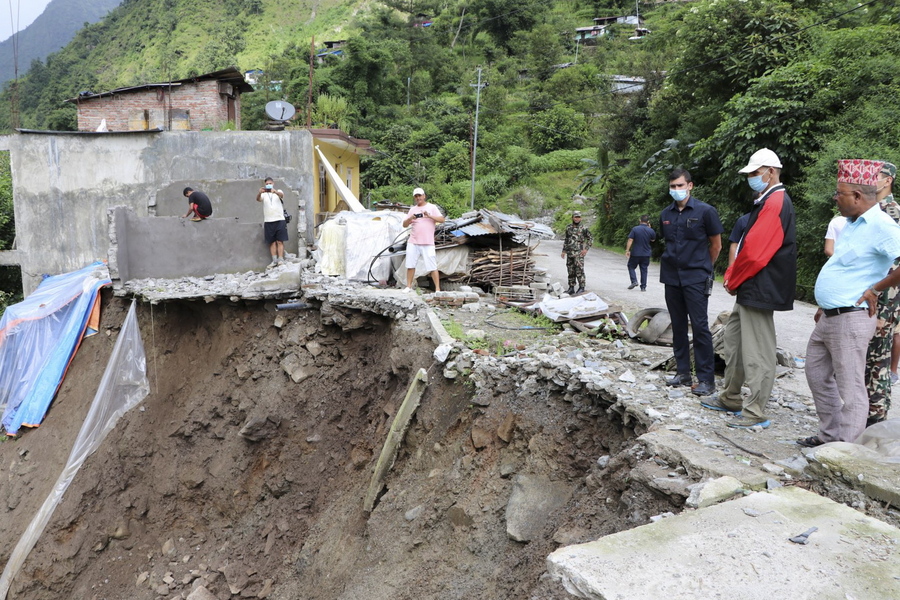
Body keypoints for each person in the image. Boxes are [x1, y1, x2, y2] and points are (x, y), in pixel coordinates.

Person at [800, 159, 900, 447]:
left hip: (851, 316)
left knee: (852, 386)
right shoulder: (853, 224)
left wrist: (876, 289)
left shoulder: (882, 225)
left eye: (839, 193)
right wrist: (823, 301)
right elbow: (844, 268)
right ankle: (829, 437)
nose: (835, 198)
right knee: (817, 374)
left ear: (857, 196)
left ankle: (843, 449)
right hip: (830, 315)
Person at [707, 149, 796, 429]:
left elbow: (755, 253)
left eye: (755, 173)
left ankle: (755, 410)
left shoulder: (775, 202)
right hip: (753, 285)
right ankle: (730, 397)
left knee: (758, 351)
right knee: (734, 342)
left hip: (760, 286)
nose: (751, 179)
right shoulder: (767, 200)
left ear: (771, 171)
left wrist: (733, 278)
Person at [659, 168, 723, 397]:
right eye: (673, 186)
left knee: (699, 327)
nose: (676, 190)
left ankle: (706, 379)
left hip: (696, 277)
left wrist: (704, 267)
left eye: (680, 185)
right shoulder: (665, 214)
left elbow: (716, 245)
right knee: (677, 325)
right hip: (671, 277)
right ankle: (683, 373)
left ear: (690, 185)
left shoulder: (706, 212)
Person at [865, 161, 900, 425]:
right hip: (870, 294)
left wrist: (885, 299)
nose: (870, 180)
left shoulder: (892, 212)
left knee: (877, 358)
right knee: (867, 357)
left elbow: (894, 263)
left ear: (888, 179)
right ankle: (863, 415)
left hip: (885, 299)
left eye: (875, 175)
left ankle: (875, 419)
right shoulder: (871, 209)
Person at [402, 187, 445, 292]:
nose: (418, 198)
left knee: (432, 266)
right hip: (413, 241)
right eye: (416, 196)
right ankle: (408, 286)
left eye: (420, 195)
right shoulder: (412, 209)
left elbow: (442, 219)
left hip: (428, 242)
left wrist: (429, 216)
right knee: (410, 265)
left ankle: (437, 289)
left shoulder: (432, 207)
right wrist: (410, 218)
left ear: (424, 196)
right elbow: (404, 225)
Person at [256, 177, 287, 269]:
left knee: (280, 241)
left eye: (270, 183)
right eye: (267, 183)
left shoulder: (278, 191)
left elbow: (281, 195)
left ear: (273, 183)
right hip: (268, 221)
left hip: (280, 219)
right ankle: (274, 261)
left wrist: (275, 191)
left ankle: (281, 260)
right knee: (271, 242)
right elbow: (258, 199)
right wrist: (259, 192)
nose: (268, 184)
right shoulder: (264, 194)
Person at [561, 211, 593, 294]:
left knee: (579, 270)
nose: (577, 219)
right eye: (575, 217)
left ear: (581, 218)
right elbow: (567, 240)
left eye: (578, 217)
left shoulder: (584, 228)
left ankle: (582, 287)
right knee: (570, 270)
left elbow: (590, 239)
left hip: (579, 253)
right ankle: (571, 288)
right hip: (570, 253)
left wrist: (586, 249)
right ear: (572, 217)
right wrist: (564, 251)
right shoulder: (569, 228)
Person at [625, 214, 655, 291]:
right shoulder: (651, 230)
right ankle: (643, 287)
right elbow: (653, 240)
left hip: (636, 252)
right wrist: (650, 229)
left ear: (640, 220)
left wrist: (627, 250)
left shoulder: (635, 229)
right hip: (646, 253)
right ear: (648, 222)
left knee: (631, 266)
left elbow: (630, 240)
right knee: (644, 269)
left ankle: (634, 281)